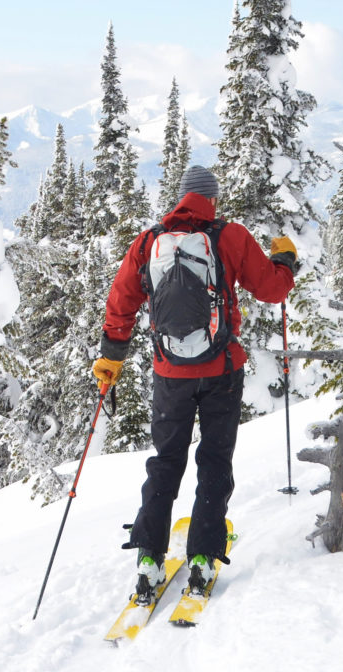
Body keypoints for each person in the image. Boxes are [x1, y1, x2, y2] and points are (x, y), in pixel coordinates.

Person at [90, 164, 297, 602]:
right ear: (212, 199)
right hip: (222, 369)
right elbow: (272, 290)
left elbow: (121, 302)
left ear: (181, 198)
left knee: (166, 460)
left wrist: (111, 358)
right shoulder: (229, 236)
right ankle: (202, 557)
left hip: (169, 375)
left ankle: (149, 556)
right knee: (215, 461)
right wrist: (284, 261)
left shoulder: (149, 242)